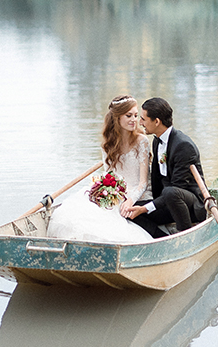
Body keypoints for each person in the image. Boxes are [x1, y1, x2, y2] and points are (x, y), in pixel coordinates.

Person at [47, 95, 153, 243]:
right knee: (81, 209)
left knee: (110, 218)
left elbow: (143, 183)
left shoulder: (142, 141)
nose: (134, 120)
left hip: (137, 193)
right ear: (117, 118)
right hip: (115, 192)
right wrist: (103, 191)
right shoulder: (107, 145)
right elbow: (108, 175)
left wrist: (129, 200)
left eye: (136, 116)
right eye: (129, 116)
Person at [122, 97, 206, 238]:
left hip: (190, 206)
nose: (140, 123)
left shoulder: (184, 146)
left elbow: (178, 188)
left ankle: (185, 234)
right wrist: (141, 205)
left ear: (156, 121)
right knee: (129, 211)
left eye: (143, 119)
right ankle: (161, 238)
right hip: (166, 202)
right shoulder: (157, 141)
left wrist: (144, 208)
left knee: (170, 192)